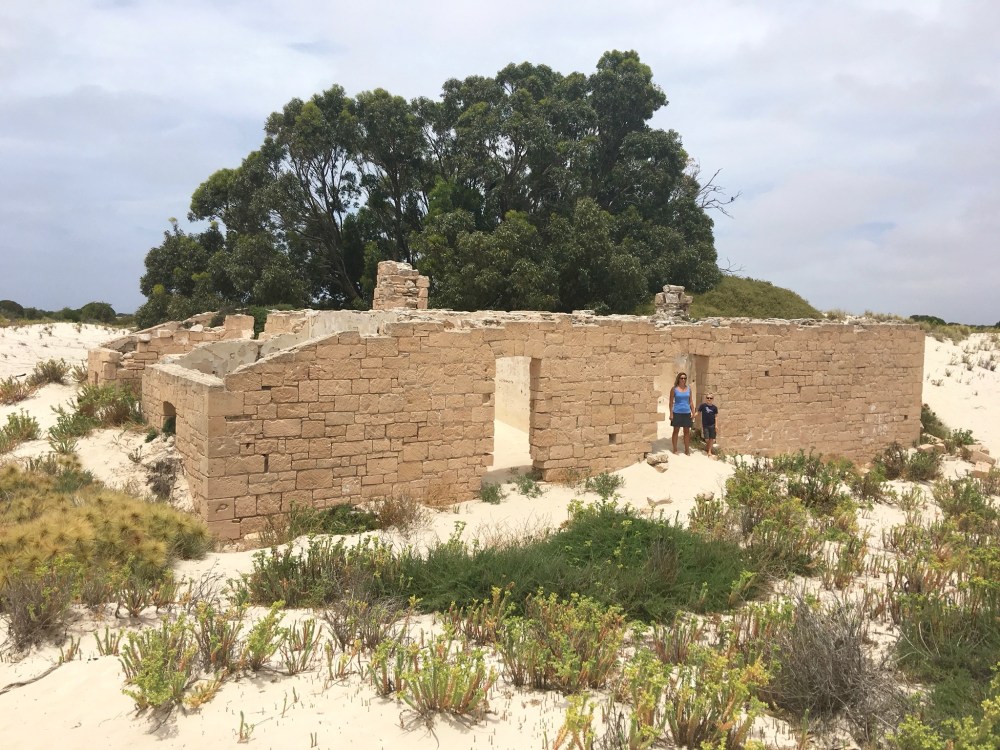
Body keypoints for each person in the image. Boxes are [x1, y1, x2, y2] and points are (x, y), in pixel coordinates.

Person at [668, 372, 693, 455]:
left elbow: (691, 401)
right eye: (681, 378)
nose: (683, 380)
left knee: (687, 432)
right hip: (677, 412)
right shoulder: (674, 389)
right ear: (678, 379)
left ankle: (687, 450)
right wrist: (671, 413)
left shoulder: (689, 389)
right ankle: (675, 449)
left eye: (685, 378)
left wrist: (693, 412)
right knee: (676, 431)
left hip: (687, 412)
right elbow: (671, 402)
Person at [696, 393, 719, 458]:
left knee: (711, 438)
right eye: (708, 398)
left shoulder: (715, 408)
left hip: (712, 425)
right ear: (706, 398)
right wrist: (693, 416)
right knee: (706, 438)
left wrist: (716, 425)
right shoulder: (703, 406)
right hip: (705, 425)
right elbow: (698, 412)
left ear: (713, 399)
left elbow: (716, 417)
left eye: (710, 398)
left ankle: (709, 451)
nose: (709, 399)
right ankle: (708, 447)